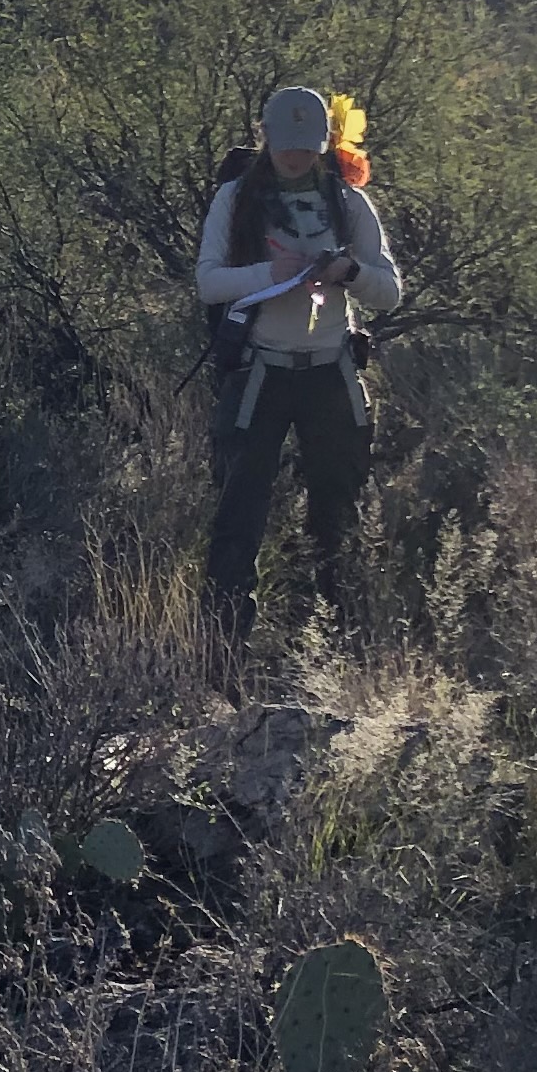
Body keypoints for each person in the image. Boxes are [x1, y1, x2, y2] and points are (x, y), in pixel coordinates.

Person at [194, 83, 402, 651]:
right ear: (266, 140)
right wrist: (272, 272)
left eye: (306, 147)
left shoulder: (348, 202)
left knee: (340, 518)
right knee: (239, 520)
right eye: (286, 145)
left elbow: (388, 292)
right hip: (262, 371)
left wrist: (348, 273)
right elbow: (209, 281)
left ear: (323, 144)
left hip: (330, 372)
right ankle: (222, 658)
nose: (294, 157)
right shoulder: (235, 199)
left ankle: (345, 654)